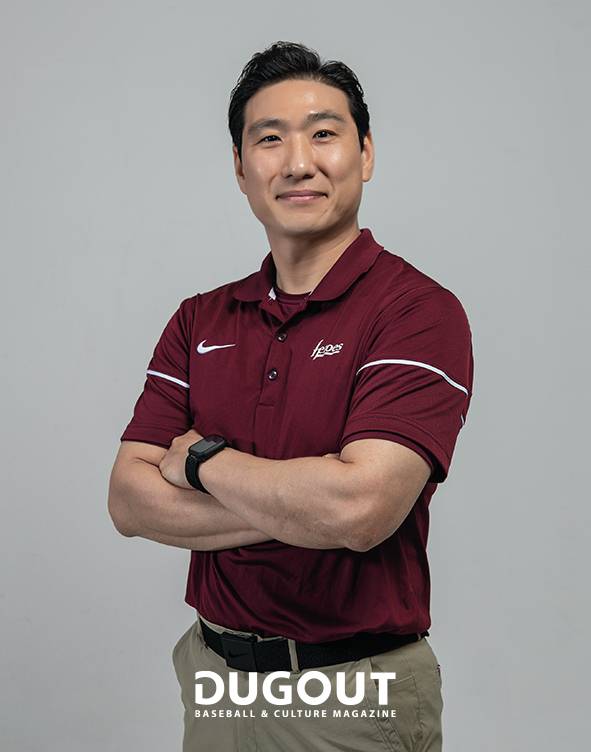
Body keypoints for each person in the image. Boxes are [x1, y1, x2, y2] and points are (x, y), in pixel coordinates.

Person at [108, 40, 474, 752]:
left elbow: (360, 510)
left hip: (351, 688)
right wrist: (302, 502)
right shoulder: (199, 319)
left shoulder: (416, 312)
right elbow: (128, 500)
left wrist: (204, 461)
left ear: (365, 154)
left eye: (324, 133)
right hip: (215, 673)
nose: (298, 162)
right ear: (240, 167)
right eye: (269, 139)